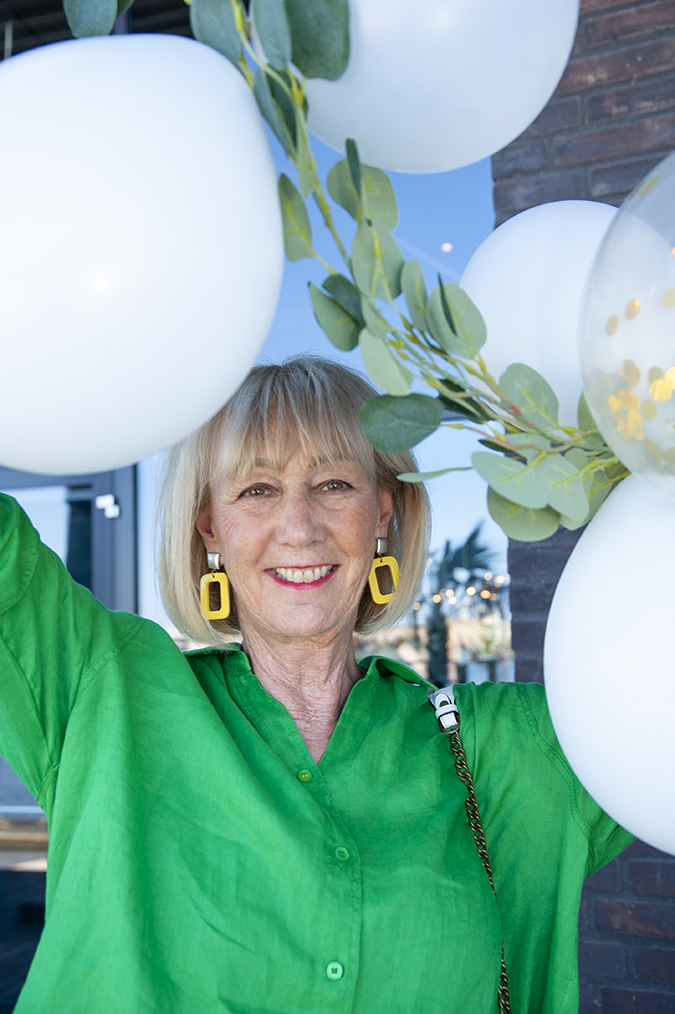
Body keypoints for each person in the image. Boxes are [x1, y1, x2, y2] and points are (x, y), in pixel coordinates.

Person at [0, 356, 631, 1014]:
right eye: (256, 490)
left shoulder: (500, 748)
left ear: (383, 511)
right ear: (208, 525)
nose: (299, 528)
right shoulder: (104, 692)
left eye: (332, 484)